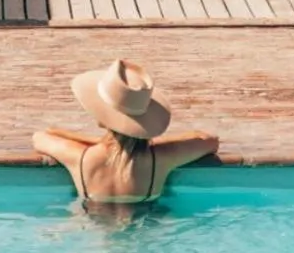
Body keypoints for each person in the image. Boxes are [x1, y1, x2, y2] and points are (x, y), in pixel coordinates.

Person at [32, 59, 219, 206]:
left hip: (93, 233)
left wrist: (97, 142)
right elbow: (210, 141)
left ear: (102, 118)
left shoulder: (80, 157)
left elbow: (40, 137)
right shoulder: (161, 158)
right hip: (147, 230)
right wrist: (159, 142)